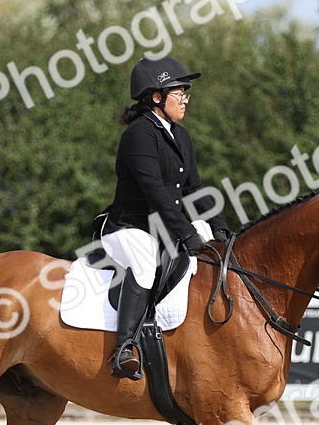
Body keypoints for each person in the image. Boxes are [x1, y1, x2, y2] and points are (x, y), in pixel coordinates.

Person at [95, 56, 232, 380]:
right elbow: (155, 190)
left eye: (186, 92)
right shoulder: (139, 135)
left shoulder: (180, 135)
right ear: (156, 96)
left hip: (162, 229)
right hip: (126, 227)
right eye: (179, 92)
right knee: (144, 265)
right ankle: (124, 349)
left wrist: (221, 227)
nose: (185, 99)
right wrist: (186, 233)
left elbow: (194, 189)